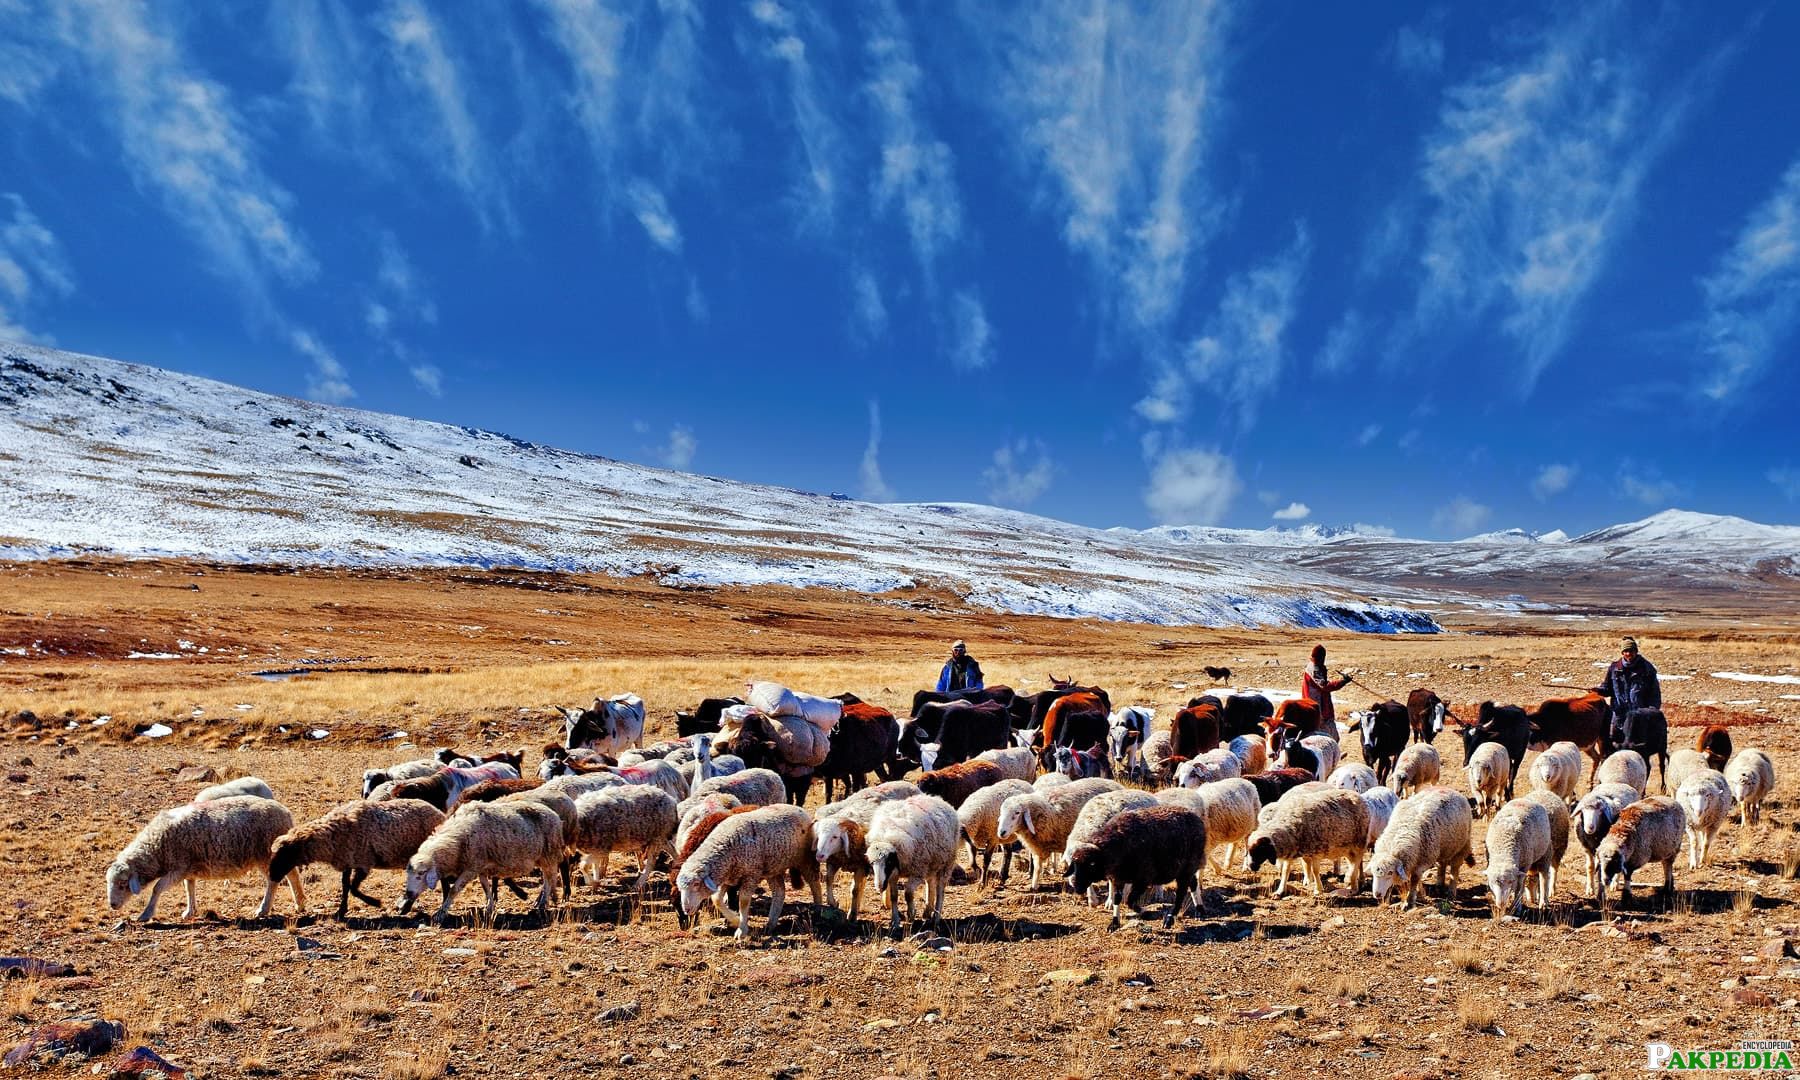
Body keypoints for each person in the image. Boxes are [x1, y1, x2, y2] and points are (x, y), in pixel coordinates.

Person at [1593, 636, 1660, 747]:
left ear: (1636, 651)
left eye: (1631, 651)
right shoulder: (1614, 668)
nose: (1628, 654)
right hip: (1619, 715)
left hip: (1638, 716)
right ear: (1622, 652)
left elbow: (1655, 694)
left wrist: (1651, 712)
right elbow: (1607, 689)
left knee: (1637, 747)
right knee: (1615, 745)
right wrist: (1598, 690)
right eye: (1626, 651)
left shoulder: (1646, 669)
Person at [1301, 644, 1350, 738]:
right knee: (1326, 735)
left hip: (1318, 704)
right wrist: (1342, 682)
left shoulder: (1315, 666)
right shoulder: (1314, 668)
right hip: (1317, 706)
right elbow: (1324, 686)